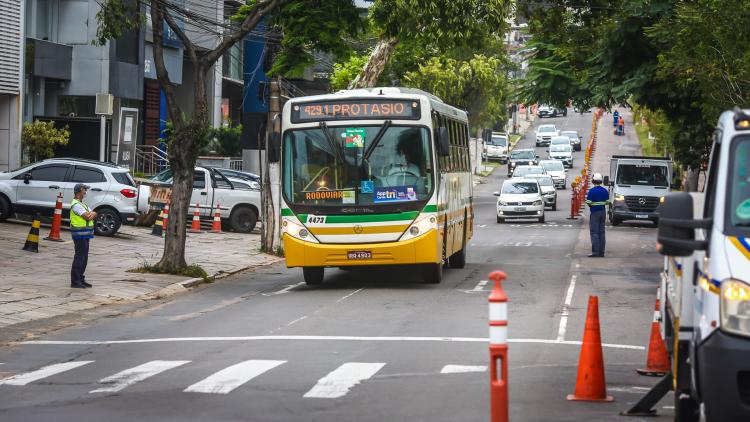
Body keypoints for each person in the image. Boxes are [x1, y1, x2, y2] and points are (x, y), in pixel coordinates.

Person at [70, 183, 96, 288]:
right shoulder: (76, 205)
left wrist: (93, 214)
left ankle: (80, 278)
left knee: (84, 258)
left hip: (85, 235)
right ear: (79, 191)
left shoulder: (82, 204)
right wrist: (91, 215)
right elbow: (87, 216)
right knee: (80, 257)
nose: (86, 192)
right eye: (84, 190)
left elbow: (94, 213)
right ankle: (75, 281)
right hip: (79, 235)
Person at [586, 173, 609, 257]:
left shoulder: (592, 191)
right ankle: (601, 252)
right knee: (602, 232)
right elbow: (607, 202)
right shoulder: (604, 190)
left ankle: (595, 252)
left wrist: (593, 205)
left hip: (595, 213)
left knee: (594, 232)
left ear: (593, 181)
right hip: (603, 212)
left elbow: (588, 202)